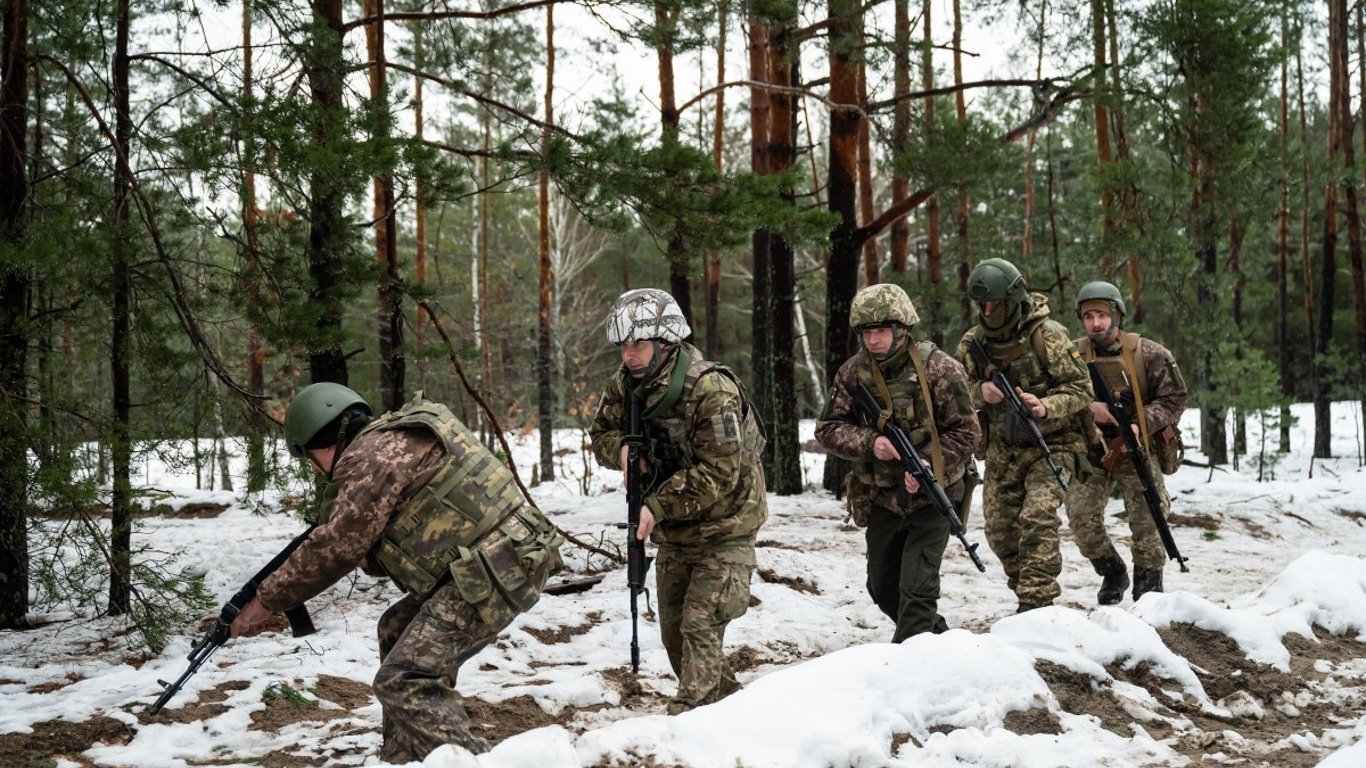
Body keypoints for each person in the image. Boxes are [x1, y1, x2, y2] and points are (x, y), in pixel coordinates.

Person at [230, 383, 565, 763]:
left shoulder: (369, 457)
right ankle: (403, 755)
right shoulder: (394, 437)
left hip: (492, 570)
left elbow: (334, 549)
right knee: (395, 629)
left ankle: (472, 761)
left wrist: (265, 601)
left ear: (326, 442)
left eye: (309, 455)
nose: (312, 466)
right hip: (508, 558)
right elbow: (398, 535)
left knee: (404, 680)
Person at [588, 288, 767, 715]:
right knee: (675, 640)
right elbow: (599, 433)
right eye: (623, 346)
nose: (628, 355)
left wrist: (657, 505)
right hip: (676, 533)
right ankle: (742, 714)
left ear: (666, 342)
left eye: (639, 344)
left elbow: (721, 472)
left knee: (698, 628)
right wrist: (622, 451)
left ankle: (686, 729)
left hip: (726, 529)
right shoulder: (626, 384)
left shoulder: (710, 388)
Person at [816, 284, 981, 641]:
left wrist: (925, 466)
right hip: (882, 497)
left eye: (881, 331)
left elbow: (968, 432)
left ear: (902, 329)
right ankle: (939, 638)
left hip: (935, 495)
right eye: (866, 332)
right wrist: (871, 442)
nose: (873, 341)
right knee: (882, 586)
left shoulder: (940, 369)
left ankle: (909, 667)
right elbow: (828, 428)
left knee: (918, 590)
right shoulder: (852, 373)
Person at [954, 258, 1096, 612]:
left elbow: (1082, 389)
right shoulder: (973, 344)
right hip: (1003, 447)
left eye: (994, 304)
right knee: (1000, 532)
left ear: (1013, 299)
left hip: (1054, 444)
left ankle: (1037, 603)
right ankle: (1026, 590)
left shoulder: (1048, 336)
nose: (987, 311)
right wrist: (980, 392)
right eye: (981, 305)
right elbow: (952, 395)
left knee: (1037, 517)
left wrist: (1047, 405)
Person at [1065, 281, 1189, 603]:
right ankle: (1112, 571)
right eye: (1088, 316)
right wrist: (1089, 407)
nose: (1095, 323)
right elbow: (1054, 396)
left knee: (1150, 515)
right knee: (1080, 517)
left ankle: (1149, 590)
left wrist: (1139, 424)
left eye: (1102, 315)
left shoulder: (1148, 352)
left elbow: (1176, 396)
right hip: (1092, 448)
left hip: (1135, 446)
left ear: (1117, 314)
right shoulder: (1071, 355)